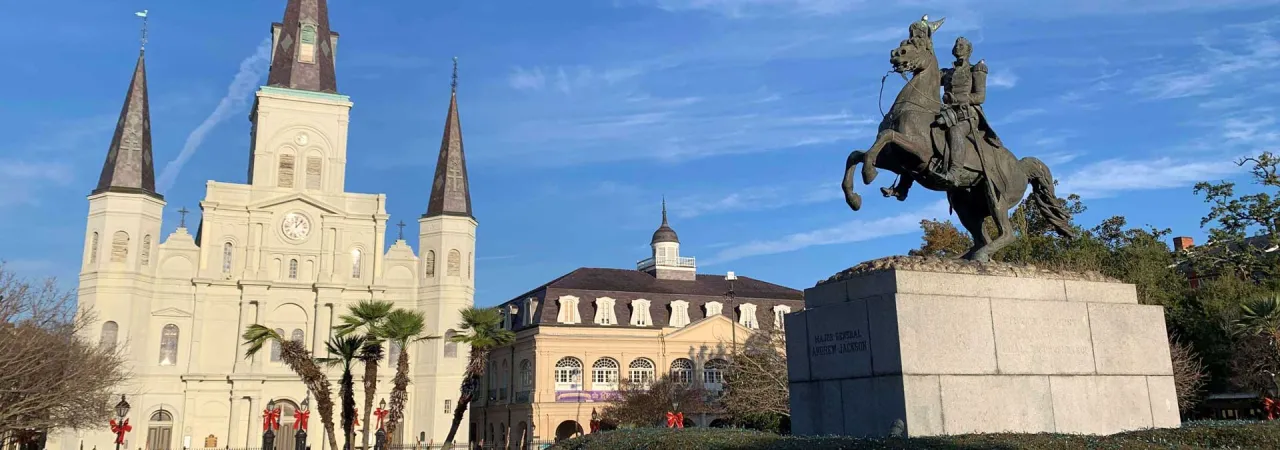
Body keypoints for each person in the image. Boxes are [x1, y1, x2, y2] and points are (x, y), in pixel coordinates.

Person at [934, 36, 1002, 186]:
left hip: (968, 115)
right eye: (956, 44)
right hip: (947, 113)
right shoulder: (946, 73)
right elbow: (929, 76)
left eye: (962, 45)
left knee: (956, 132)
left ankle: (955, 172)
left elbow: (980, 96)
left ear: (969, 50)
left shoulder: (975, 69)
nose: (958, 47)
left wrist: (958, 100)